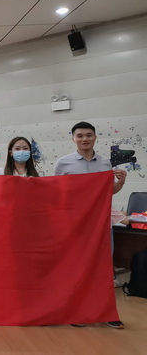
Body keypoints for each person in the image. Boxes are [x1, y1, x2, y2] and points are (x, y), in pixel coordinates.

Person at [54, 121, 127, 330]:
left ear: (95, 137)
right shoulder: (63, 164)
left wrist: (120, 183)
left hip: (101, 225)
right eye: (80, 135)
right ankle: (77, 311)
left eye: (88, 135)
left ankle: (106, 312)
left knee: (103, 269)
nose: (84, 139)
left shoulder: (105, 164)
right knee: (76, 268)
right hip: (75, 226)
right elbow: (56, 193)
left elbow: (107, 193)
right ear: (73, 139)